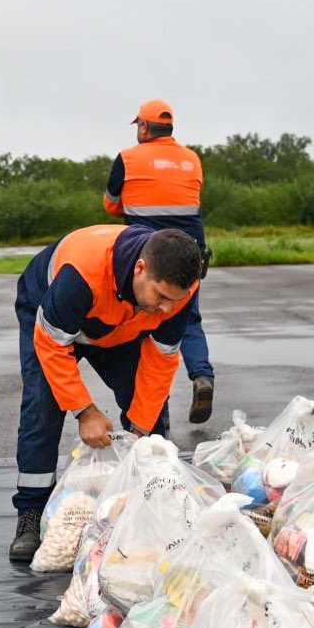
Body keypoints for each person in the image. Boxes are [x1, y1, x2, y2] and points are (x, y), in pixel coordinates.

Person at [8, 225, 204, 562]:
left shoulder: (179, 290)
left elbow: (160, 362)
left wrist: (140, 428)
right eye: (160, 297)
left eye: (175, 301)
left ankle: (145, 507)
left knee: (150, 420)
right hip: (54, 318)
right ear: (141, 268)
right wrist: (84, 411)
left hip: (120, 328)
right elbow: (52, 344)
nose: (165, 309)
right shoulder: (82, 274)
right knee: (43, 406)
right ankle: (30, 514)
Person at [105, 99, 215, 423]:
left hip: (149, 258)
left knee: (145, 328)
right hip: (191, 254)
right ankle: (202, 376)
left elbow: (111, 204)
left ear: (143, 127)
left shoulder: (127, 159)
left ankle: (152, 413)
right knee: (188, 318)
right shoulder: (192, 159)